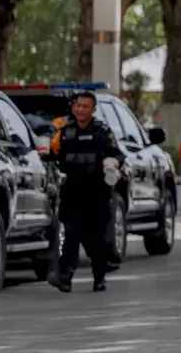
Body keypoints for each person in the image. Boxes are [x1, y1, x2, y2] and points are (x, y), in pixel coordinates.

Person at [49, 91, 125, 293]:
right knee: (71, 234)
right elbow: (55, 154)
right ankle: (65, 277)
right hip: (73, 191)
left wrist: (113, 162)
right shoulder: (65, 131)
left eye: (85, 106)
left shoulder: (102, 131)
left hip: (97, 193)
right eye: (78, 106)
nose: (80, 109)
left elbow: (117, 154)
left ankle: (99, 277)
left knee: (96, 237)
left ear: (93, 110)